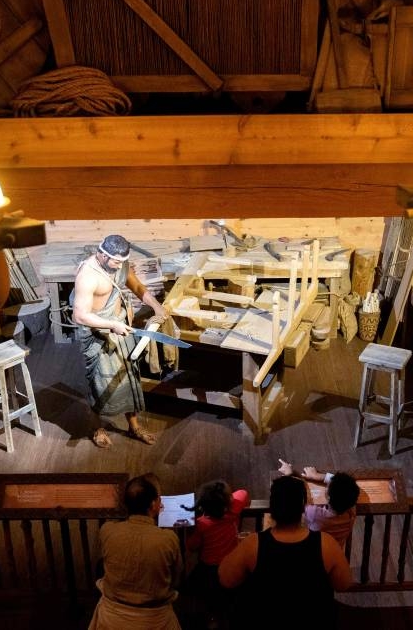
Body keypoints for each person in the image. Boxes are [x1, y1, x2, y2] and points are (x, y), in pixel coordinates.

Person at [72, 234, 168, 448]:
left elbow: (138, 287)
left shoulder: (119, 264)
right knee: (100, 383)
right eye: (116, 261)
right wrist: (111, 325)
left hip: (120, 326)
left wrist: (156, 306)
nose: (120, 266)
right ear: (102, 254)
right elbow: (79, 316)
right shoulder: (87, 276)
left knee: (129, 377)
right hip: (99, 332)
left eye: (122, 261)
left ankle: (133, 426)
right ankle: (97, 427)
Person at [218, 475, 352, 628]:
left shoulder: (253, 544)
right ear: (302, 508)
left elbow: (226, 579)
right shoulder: (326, 543)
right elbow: (344, 584)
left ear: (272, 508)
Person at [89, 473, 183, 630]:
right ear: (153, 504)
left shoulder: (107, 530)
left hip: (111, 618)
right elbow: (176, 578)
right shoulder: (168, 539)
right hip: (155, 620)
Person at [184, 480, 251, 626]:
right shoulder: (233, 512)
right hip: (230, 567)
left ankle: (208, 619)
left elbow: (192, 546)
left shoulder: (202, 524)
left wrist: (190, 531)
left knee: (191, 590)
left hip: (208, 571)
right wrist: (228, 502)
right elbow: (243, 493)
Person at [277, 459, 360, 548]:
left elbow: (294, 497)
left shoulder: (314, 514)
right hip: (334, 551)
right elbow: (348, 487)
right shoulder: (351, 513)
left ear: (328, 496)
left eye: (328, 486)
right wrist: (318, 476)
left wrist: (290, 474)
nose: (327, 485)